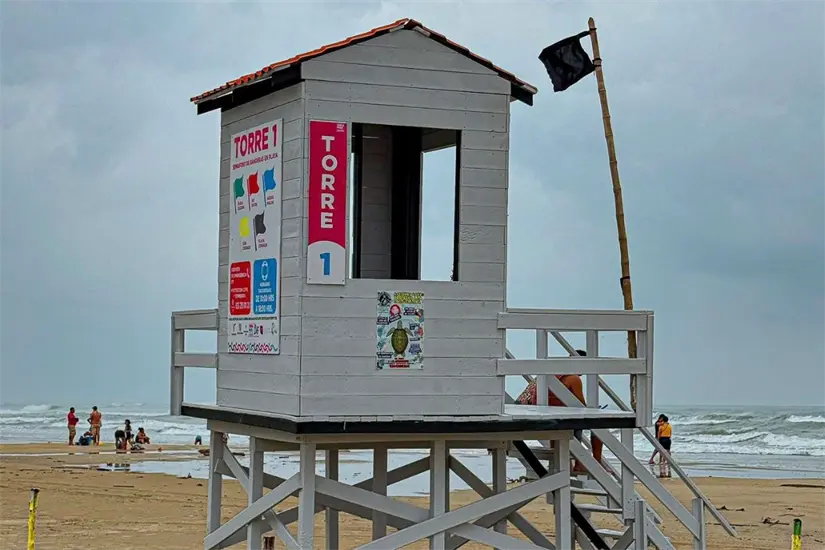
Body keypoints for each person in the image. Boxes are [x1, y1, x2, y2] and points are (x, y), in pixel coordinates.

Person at [515, 350, 603, 473]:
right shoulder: (573, 378)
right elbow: (581, 405)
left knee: (568, 423)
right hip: (550, 419)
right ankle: (596, 463)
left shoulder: (549, 373)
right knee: (597, 425)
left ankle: (565, 463)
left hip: (528, 413)